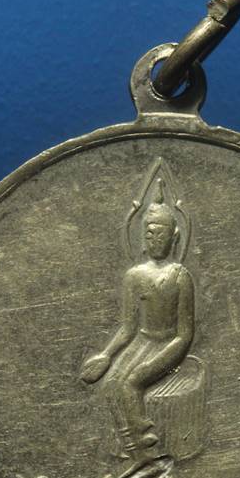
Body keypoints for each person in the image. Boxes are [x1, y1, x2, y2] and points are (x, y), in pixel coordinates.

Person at [80, 181, 195, 461]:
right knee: (111, 384)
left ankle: (145, 445)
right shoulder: (134, 276)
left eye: (160, 234)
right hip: (142, 340)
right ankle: (127, 448)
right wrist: (106, 355)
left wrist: (159, 359)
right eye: (149, 234)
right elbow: (128, 327)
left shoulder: (181, 277)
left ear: (174, 236)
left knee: (132, 383)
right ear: (143, 237)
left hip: (170, 342)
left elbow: (185, 334)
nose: (154, 240)